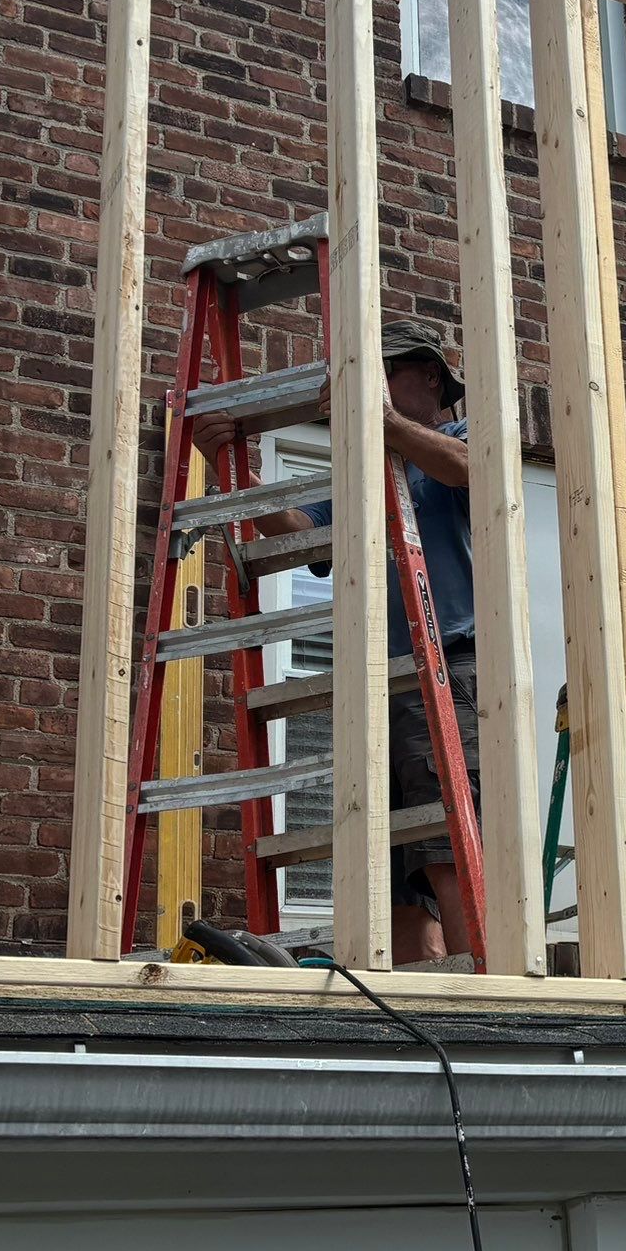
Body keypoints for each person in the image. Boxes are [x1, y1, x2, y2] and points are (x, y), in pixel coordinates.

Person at [203, 319, 479, 966]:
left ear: (430, 377)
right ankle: (421, 999)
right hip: (377, 682)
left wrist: (381, 422)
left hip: (447, 670)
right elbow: (298, 532)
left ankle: (484, 999)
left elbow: (471, 470)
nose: (368, 391)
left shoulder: (459, 439)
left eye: (382, 374)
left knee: (450, 850)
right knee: (391, 867)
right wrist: (230, 466)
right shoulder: (365, 475)